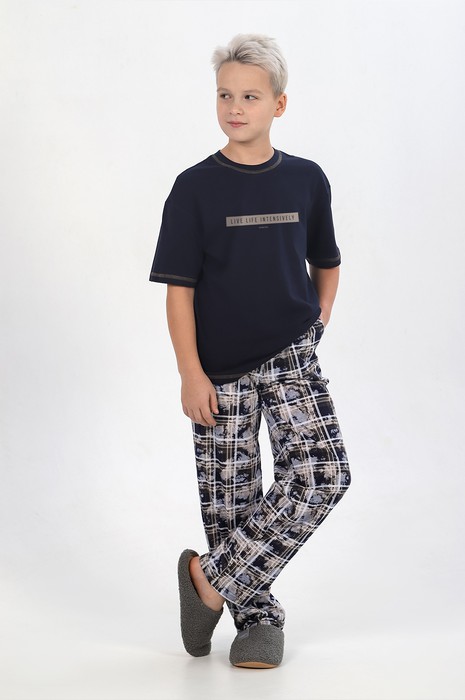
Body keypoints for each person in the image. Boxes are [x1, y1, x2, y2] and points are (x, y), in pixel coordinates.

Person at [149, 33, 351, 669]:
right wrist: (190, 372)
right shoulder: (194, 188)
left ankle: (206, 581)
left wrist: (316, 324)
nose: (235, 108)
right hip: (218, 372)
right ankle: (257, 618)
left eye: (250, 97)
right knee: (231, 503)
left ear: (278, 104)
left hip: (292, 357)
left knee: (323, 475)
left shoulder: (306, 179)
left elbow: (327, 262)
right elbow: (178, 291)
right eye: (224, 96)